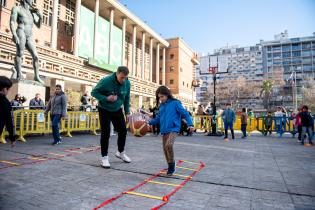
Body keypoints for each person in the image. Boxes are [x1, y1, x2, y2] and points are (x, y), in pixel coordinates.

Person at [91, 66, 131, 168]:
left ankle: (121, 152)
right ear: (117, 74)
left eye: (125, 78)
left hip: (117, 109)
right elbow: (94, 92)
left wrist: (127, 112)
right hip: (104, 108)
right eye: (122, 77)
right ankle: (104, 158)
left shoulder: (127, 83)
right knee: (106, 132)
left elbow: (126, 98)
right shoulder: (106, 81)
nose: (123, 80)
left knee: (123, 130)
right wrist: (106, 98)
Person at [149, 86, 194, 176]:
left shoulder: (175, 103)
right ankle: (170, 165)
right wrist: (149, 122)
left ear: (167, 95)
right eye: (159, 97)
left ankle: (172, 165)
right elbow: (158, 118)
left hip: (174, 128)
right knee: (165, 149)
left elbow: (185, 113)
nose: (160, 99)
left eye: (162, 97)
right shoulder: (161, 106)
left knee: (168, 145)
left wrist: (190, 124)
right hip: (164, 129)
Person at [10, 0, 44, 84]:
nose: (32, 1)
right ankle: (19, 73)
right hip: (21, 31)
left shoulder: (31, 12)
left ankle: (36, 76)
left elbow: (38, 26)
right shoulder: (17, 8)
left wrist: (41, 17)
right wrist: (14, 34)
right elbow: (12, 21)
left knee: (36, 56)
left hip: (30, 35)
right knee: (20, 53)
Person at [0, 76, 16, 147]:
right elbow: (9, 121)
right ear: (4, 89)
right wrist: (12, 138)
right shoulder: (5, 102)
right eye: (8, 89)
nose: (8, 91)